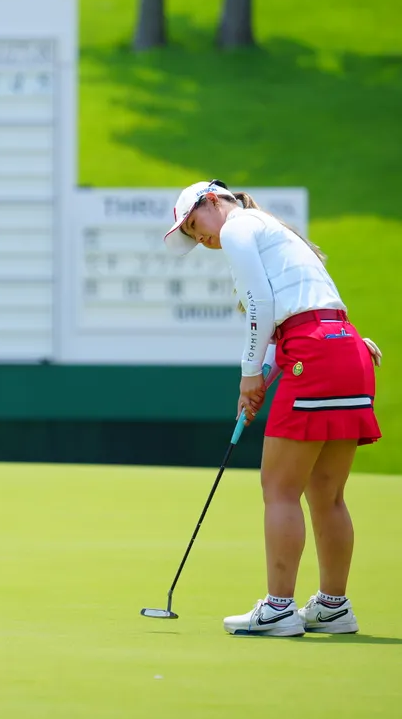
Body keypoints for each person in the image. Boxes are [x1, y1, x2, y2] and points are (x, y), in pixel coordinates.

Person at [163, 180, 382, 637]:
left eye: (195, 225)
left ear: (211, 201)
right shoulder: (270, 229)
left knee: (280, 490)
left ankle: (279, 609)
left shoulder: (238, 227)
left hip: (314, 353)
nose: (201, 239)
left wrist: (249, 375)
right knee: (327, 494)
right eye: (192, 236)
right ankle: (333, 607)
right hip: (347, 348)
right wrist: (260, 374)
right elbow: (294, 317)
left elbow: (261, 306)